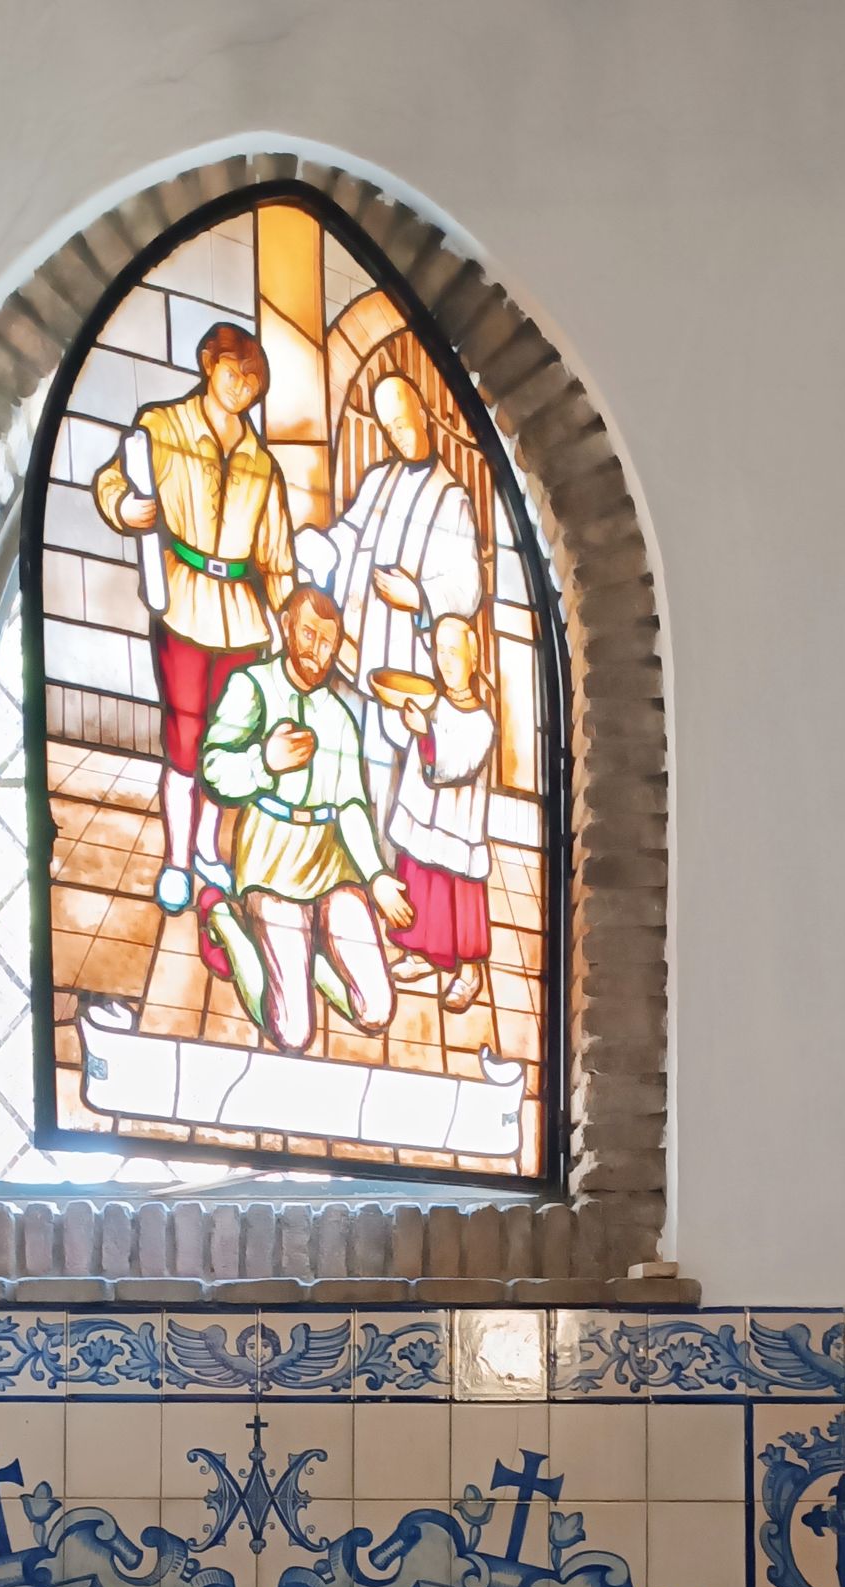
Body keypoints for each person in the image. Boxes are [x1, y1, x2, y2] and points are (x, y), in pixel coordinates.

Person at [94, 323, 295, 914]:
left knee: (227, 744)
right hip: (182, 602)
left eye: (254, 381)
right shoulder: (163, 427)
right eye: (234, 372)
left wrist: (291, 628)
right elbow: (113, 479)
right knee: (184, 741)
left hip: (243, 619)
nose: (242, 388)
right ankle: (177, 860)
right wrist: (124, 507)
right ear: (209, 364)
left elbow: (277, 556)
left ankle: (208, 847)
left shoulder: (263, 464)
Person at [197, 585, 414, 1055]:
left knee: (377, 1011)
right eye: (309, 634)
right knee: (293, 1032)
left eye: (328, 644)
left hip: (331, 863)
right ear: (286, 627)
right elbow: (213, 768)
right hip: (272, 861)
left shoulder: (337, 716)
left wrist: (375, 877)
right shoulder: (251, 687)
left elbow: (352, 805)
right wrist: (264, 762)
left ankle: (308, 947)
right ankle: (224, 919)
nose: (317, 652)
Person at [296, 372, 484, 832]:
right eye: (388, 427)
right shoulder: (379, 481)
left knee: (385, 779)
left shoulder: (451, 499)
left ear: (422, 414)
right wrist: (324, 549)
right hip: (356, 657)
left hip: (404, 672)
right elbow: (350, 534)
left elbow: (468, 585)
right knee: (345, 768)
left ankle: (378, 878)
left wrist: (417, 597)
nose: (396, 434)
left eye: (402, 422)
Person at [384, 615, 497, 1013]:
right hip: (421, 815)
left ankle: (469, 971)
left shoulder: (481, 721)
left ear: (473, 657)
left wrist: (426, 733)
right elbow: (405, 745)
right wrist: (410, 723)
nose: (446, 661)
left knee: (458, 897)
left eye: (454, 652)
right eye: (440, 651)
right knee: (419, 882)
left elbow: (458, 763)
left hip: (456, 825)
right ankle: (419, 954)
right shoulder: (433, 702)